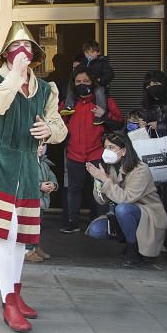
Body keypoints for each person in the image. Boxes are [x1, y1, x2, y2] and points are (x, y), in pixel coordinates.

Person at [0, 22, 67, 333]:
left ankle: (15, 292)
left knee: (22, 238)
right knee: (7, 234)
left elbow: (59, 127)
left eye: (26, 51)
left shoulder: (46, 90)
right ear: (5, 56)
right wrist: (15, 75)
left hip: (26, 165)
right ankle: (7, 301)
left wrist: (49, 131)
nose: (21, 54)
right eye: (15, 50)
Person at [86, 132, 167, 267]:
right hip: (121, 214)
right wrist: (99, 181)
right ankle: (130, 239)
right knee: (96, 230)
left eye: (111, 147)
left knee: (123, 209)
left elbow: (126, 198)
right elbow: (102, 201)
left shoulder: (140, 169)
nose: (107, 151)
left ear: (123, 151)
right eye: (106, 147)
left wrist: (105, 180)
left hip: (147, 214)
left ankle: (133, 249)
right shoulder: (110, 167)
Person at [60, 68, 124, 234]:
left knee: (99, 189)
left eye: (86, 81)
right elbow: (58, 123)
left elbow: (119, 123)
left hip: (97, 153)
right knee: (74, 189)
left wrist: (104, 115)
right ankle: (72, 222)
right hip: (74, 153)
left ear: (93, 82)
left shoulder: (104, 100)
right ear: (73, 84)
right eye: (78, 82)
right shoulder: (68, 102)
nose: (82, 85)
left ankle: (101, 223)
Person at [62, 40, 114, 124]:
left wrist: (100, 79)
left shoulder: (102, 63)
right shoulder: (84, 63)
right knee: (71, 88)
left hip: (97, 84)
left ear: (98, 52)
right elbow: (76, 72)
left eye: (92, 52)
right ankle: (68, 107)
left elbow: (110, 74)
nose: (89, 54)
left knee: (99, 92)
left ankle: (99, 114)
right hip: (86, 85)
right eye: (87, 52)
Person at [25, 142, 57, 263]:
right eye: (38, 144)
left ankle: (34, 246)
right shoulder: (27, 162)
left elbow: (51, 175)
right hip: (31, 200)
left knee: (38, 226)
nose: (41, 147)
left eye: (43, 145)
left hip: (42, 201)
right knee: (29, 226)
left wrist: (53, 184)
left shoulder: (44, 162)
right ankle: (27, 250)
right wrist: (39, 186)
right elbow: (25, 180)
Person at [141, 70, 167, 137]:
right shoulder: (146, 107)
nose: (152, 87)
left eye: (156, 83)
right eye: (148, 85)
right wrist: (142, 126)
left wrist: (159, 126)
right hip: (155, 145)